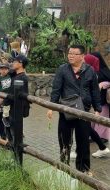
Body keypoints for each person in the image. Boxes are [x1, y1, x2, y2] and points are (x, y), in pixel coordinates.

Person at [47, 45, 102, 175]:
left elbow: (95, 91)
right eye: (69, 53)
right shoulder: (63, 69)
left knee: (83, 142)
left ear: (82, 56)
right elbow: (56, 89)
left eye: (74, 54)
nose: (70, 55)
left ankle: (83, 169)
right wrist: (51, 107)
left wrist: (97, 109)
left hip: (84, 112)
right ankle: (64, 168)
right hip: (66, 110)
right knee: (64, 141)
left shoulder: (90, 71)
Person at [3, 55, 30, 140]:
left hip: (15, 109)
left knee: (14, 132)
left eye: (15, 62)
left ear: (21, 64)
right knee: (8, 128)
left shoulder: (21, 78)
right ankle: (11, 148)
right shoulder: (15, 75)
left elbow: (17, 95)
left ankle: (16, 151)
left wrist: (6, 96)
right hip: (9, 108)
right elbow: (9, 71)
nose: (13, 64)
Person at [90, 52, 110, 157]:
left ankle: (103, 137)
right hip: (96, 99)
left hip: (105, 100)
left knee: (103, 118)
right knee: (96, 118)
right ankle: (96, 136)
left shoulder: (105, 70)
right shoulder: (92, 70)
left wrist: (104, 84)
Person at [0, 63, 12, 138]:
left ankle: (7, 133)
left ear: (8, 70)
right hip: (1, 99)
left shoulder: (11, 76)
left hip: (9, 99)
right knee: (0, 116)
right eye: (1, 69)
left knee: (7, 114)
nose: (3, 71)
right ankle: (1, 135)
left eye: (5, 69)